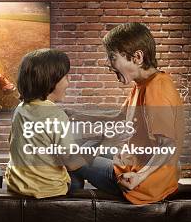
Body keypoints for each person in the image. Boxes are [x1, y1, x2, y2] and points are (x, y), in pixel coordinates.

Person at [69, 22, 184, 205]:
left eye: (112, 57)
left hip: (139, 184)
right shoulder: (142, 84)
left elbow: (168, 145)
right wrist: (78, 114)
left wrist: (140, 176)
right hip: (134, 165)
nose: (108, 64)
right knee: (85, 146)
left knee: (68, 158)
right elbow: (119, 118)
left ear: (137, 57)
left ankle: (72, 210)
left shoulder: (157, 90)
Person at [4, 49, 85, 198]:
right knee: (79, 174)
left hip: (17, 186)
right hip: (48, 191)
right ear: (52, 81)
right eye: (66, 77)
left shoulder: (20, 110)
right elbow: (72, 163)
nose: (69, 81)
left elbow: (14, 141)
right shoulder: (57, 116)